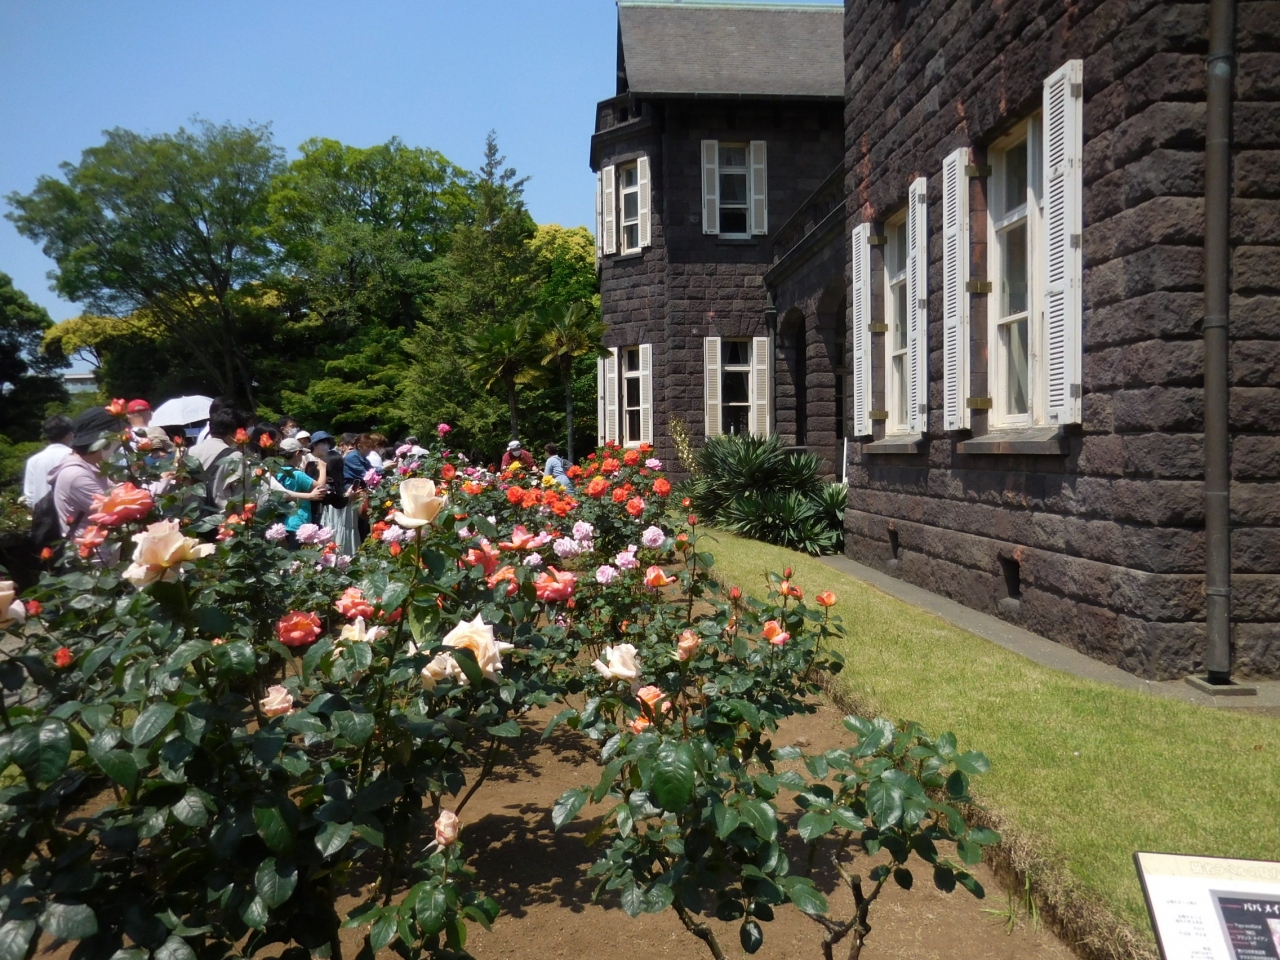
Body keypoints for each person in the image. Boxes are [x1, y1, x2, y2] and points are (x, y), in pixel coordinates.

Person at [47, 407, 123, 541]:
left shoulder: (91, 467)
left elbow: (118, 493)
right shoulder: (77, 475)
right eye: (114, 437)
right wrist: (160, 482)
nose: (119, 442)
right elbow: (115, 511)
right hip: (92, 551)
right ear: (99, 441)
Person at [312, 431, 359, 556]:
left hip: (324, 523)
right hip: (333, 522)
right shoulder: (332, 484)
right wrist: (349, 496)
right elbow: (339, 503)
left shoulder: (318, 478)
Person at [275, 437, 324, 548]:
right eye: (302, 454)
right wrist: (322, 469)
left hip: (280, 523)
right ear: (297, 454)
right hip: (298, 521)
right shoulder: (297, 474)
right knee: (299, 554)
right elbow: (320, 487)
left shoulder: (275, 472)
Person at [22, 415, 73, 506]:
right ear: (69, 435)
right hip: (69, 512)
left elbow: (30, 496)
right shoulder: (74, 456)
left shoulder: (33, 461)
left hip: (40, 512)